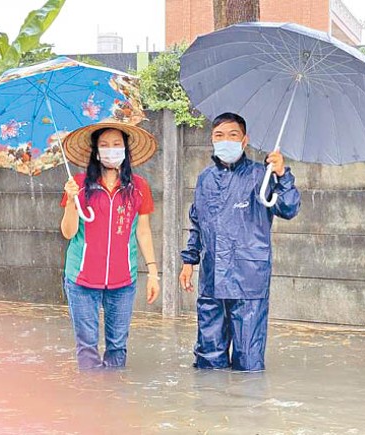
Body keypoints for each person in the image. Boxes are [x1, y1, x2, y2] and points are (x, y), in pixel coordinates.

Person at [179, 112, 301, 372]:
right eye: (219, 135)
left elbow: (289, 208)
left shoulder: (261, 175)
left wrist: (282, 175)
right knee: (208, 360)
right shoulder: (205, 179)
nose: (226, 141)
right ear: (212, 140)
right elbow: (197, 221)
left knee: (248, 360)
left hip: (249, 280)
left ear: (244, 140)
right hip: (212, 279)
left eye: (233, 135)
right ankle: (211, 409)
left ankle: (246, 410)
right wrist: (189, 261)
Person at [60, 121, 160, 370]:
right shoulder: (79, 185)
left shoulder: (138, 187)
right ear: (96, 152)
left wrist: (153, 273)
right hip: (81, 279)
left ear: (126, 150)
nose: (111, 150)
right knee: (87, 346)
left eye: (117, 145)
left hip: (123, 280)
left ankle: (113, 398)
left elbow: (143, 231)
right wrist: (72, 201)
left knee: (117, 346)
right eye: (104, 145)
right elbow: (68, 232)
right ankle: (92, 400)